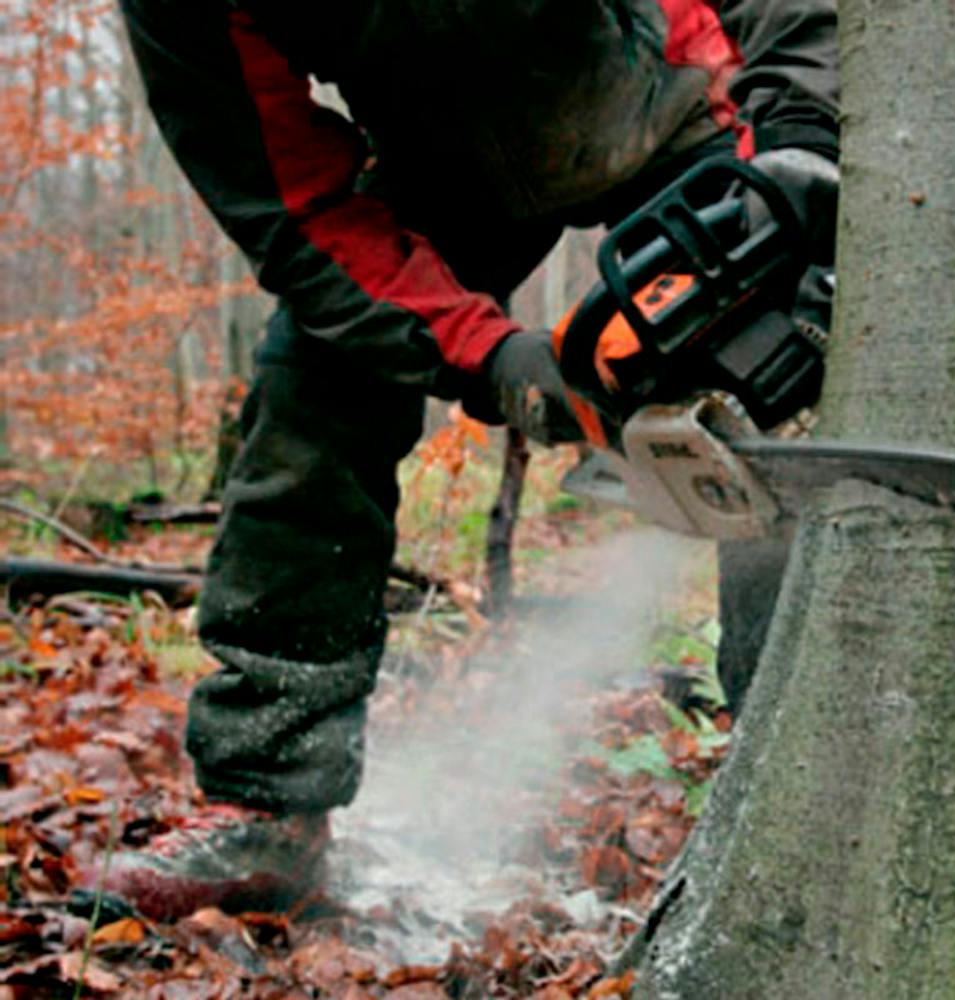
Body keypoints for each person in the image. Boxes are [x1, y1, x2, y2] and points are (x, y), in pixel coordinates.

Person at [99, 0, 838, 921]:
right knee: (314, 392)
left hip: (674, 96)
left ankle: (799, 779)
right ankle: (267, 803)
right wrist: (492, 359)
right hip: (445, 163)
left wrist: (801, 138)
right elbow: (301, 207)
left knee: (784, 374)